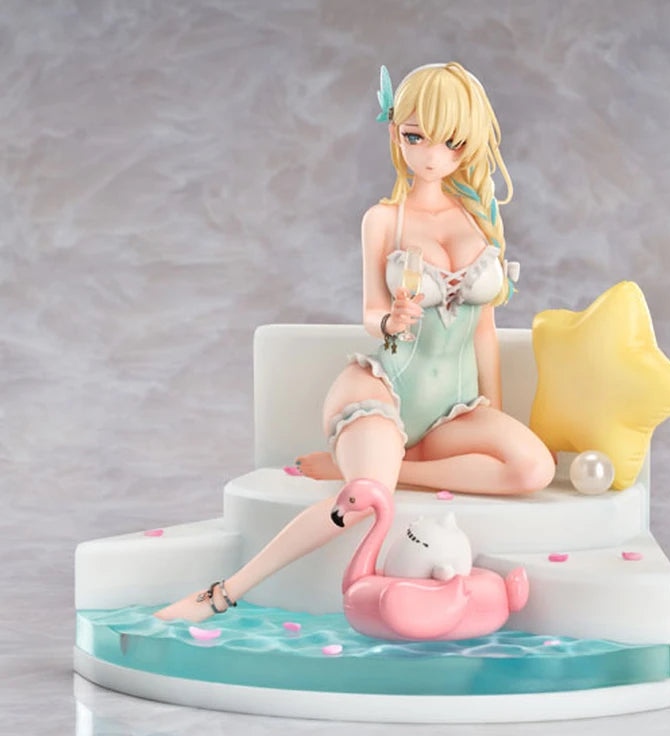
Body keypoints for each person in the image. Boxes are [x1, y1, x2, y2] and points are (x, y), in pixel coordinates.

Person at [156, 62, 554, 622]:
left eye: (452, 142)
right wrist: (389, 321)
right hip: (383, 389)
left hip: (452, 411)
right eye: (416, 137)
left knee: (533, 469)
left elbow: (483, 329)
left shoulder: (481, 221)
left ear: (470, 143)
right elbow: (370, 310)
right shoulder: (384, 220)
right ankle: (224, 592)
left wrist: (494, 411)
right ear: (395, 131)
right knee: (367, 498)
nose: (432, 156)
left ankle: (395, 467)